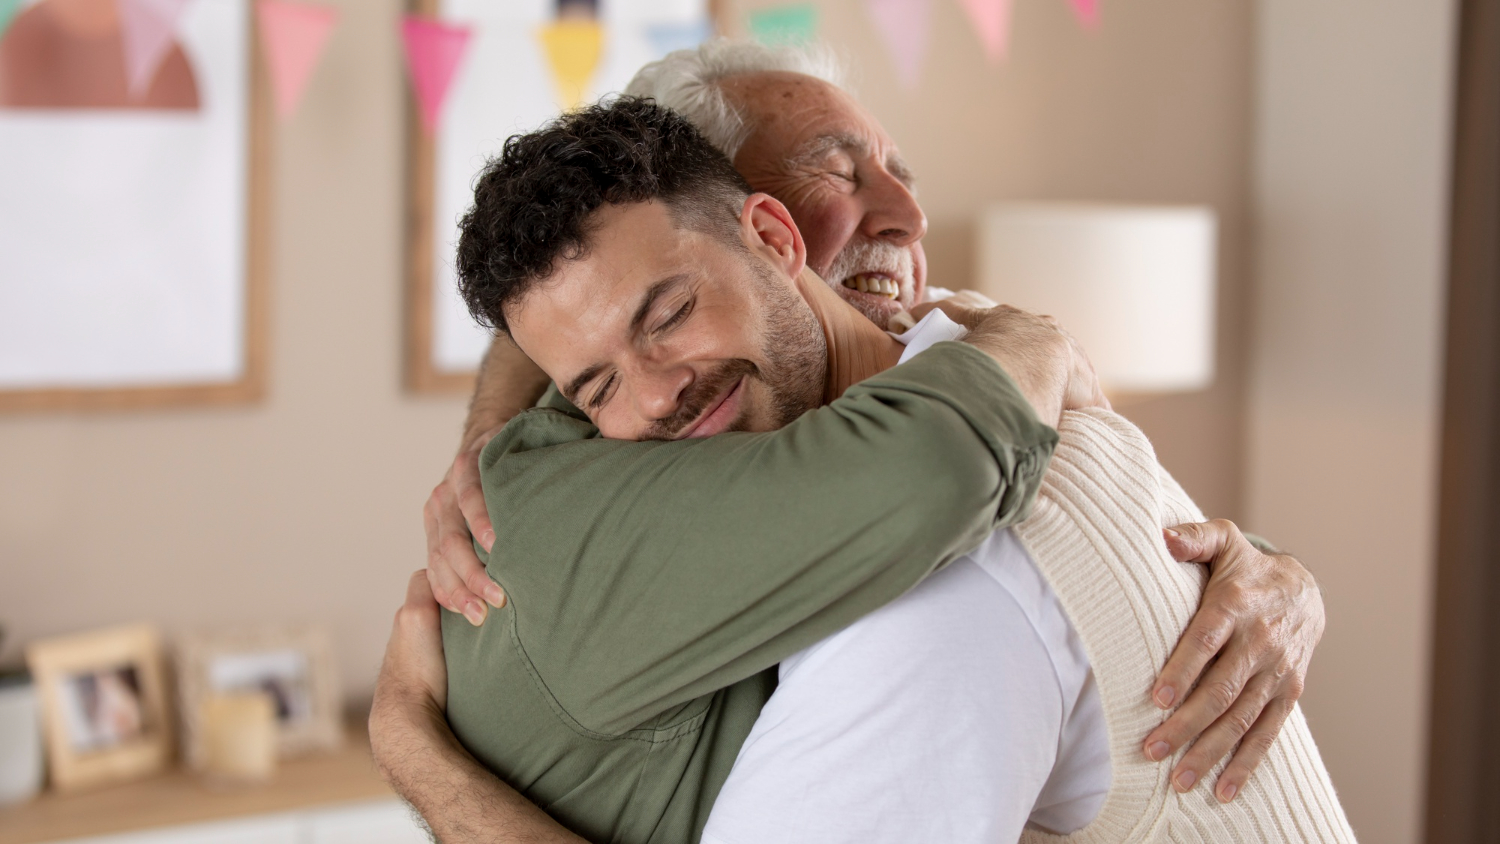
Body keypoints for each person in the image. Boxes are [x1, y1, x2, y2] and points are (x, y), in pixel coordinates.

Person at [372, 97, 1343, 843]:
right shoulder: (964, 398)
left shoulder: (935, 592)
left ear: (772, 241)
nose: (655, 394)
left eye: (668, 316)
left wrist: (1277, 568)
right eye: (593, 387)